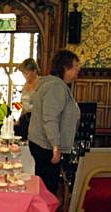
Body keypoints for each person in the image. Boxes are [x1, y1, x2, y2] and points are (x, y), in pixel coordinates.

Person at [28, 49, 81, 195]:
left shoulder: (52, 84)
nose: (78, 69)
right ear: (65, 67)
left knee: (46, 186)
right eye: (75, 66)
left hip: (44, 144)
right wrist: (56, 146)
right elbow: (50, 118)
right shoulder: (56, 86)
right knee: (48, 189)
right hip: (47, 146)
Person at [16, 58, 40, 139]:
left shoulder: (42, 84)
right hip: (25, 119)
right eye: (23, 73)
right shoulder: (25, 85)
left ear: (34, 71)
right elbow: (23, 105)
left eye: (27, 73)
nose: (25, 76)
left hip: (36, 120)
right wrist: (19, 118)